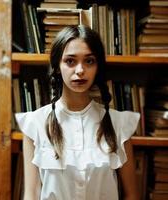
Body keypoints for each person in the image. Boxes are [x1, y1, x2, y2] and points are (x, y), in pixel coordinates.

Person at [15, 25, 140, 200]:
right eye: (70, 61)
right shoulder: (35, 123)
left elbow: (132, 195)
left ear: (98, 67)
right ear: (57, 66)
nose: (80, 70)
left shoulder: (119, 124)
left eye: (89, 61)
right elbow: (31, 195)